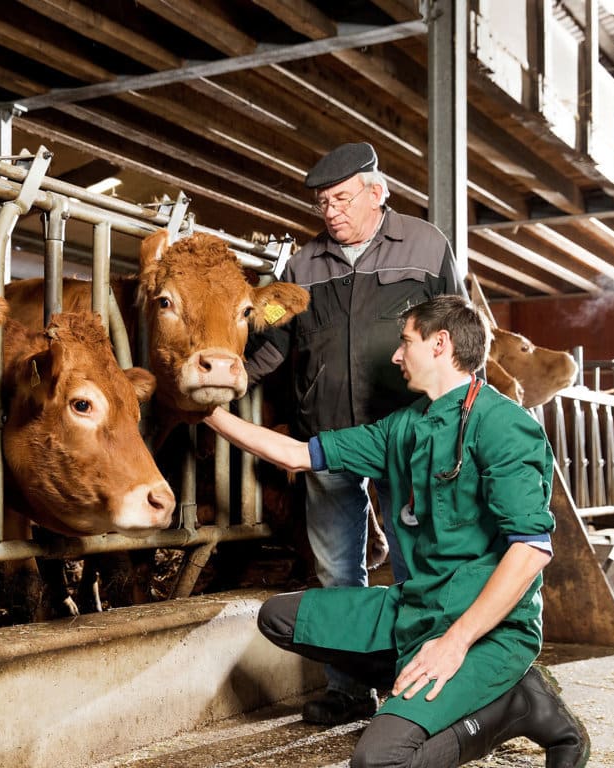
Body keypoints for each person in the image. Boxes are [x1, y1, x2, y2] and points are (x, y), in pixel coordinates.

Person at [205, 295, 589, 768]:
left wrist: (455, 643)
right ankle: (420, 684)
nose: (395, 354)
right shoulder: (405, 426)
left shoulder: (505, 426)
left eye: (405, 341)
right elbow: (297, 455)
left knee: (381, 760)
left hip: (488, 631)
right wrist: (205, 413)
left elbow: (530, 551)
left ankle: (518, 703)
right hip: (418, 607)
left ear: (440, 344)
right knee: (280, 618)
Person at [246, 141, 467, 724]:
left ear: (377, 192)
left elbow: (459, 337)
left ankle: (424, 681)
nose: (331, 211)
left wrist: (455, 422)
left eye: (342, 198)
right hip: (329, 435)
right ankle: (348, 689)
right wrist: (223, 378)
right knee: (337, 570)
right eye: (323, 203)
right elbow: (274, 345)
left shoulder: (425, 245)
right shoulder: (301, 265)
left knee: (418, 560)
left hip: (407, 436)